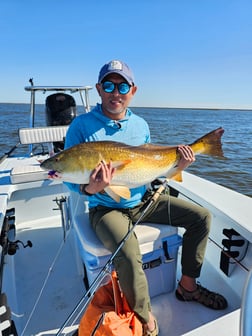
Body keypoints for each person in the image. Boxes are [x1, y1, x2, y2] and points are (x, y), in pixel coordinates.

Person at [65, 60, 227, 336]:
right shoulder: (81, 127)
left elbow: (152, 167)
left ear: (133, 90)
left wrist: (179, 166)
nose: (116, 92)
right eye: (108, 85)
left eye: (123, 86)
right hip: (106, 209)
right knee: (128, 251)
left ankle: (187, 287)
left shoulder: (140, 125)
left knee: (201, 217)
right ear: (99, 89)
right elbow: (70, 179)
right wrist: (91, 189)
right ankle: (145, 318)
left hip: (144, 200)